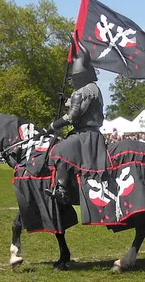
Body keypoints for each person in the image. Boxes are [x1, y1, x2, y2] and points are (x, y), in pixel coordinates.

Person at [46, 33, 110, 202]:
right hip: (88, 133)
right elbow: (81, 107)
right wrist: (66, 100)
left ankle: (62, 190)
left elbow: (72, 116)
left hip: (86, 135)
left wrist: (53, 125)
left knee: (59, 151)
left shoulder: (85, 90)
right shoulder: (93, 88)